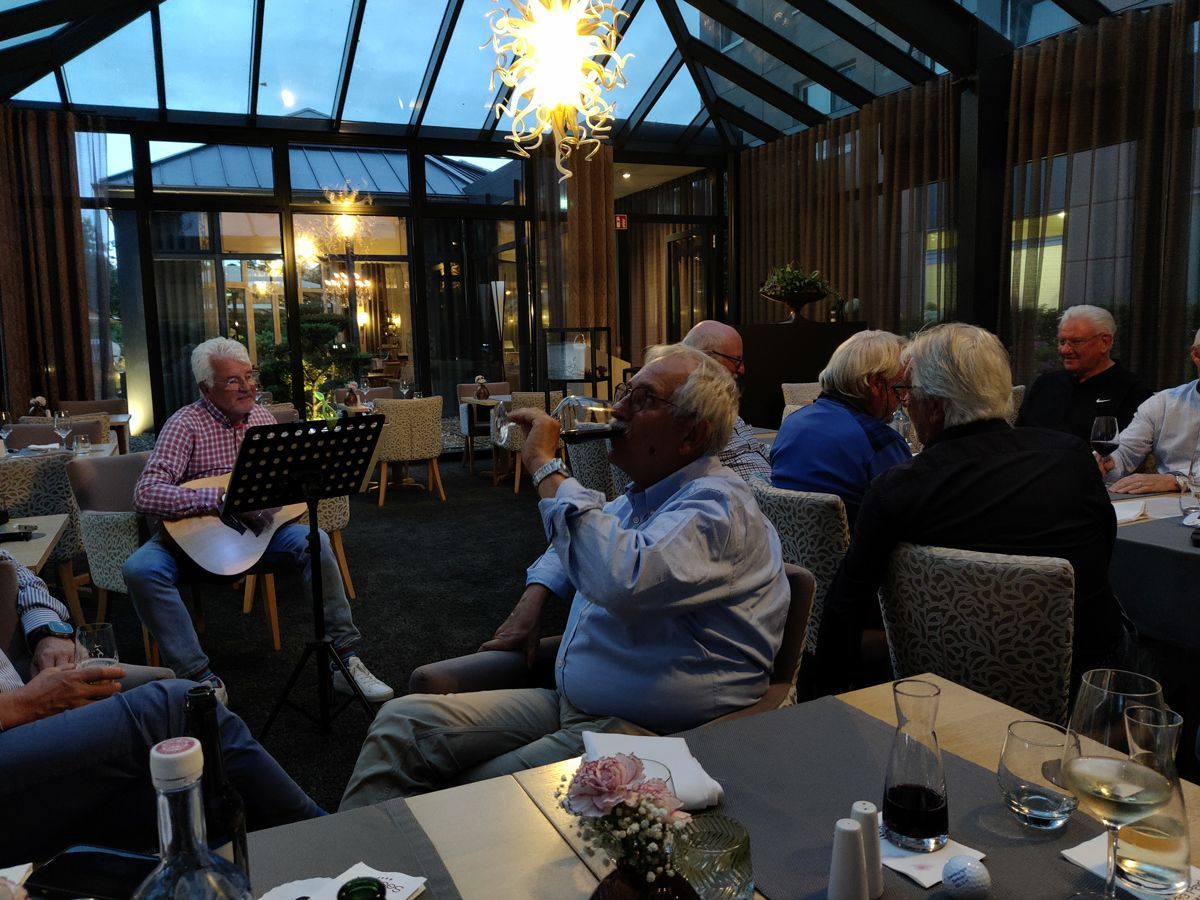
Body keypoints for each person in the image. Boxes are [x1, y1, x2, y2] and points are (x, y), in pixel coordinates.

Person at [340, 345, 789, 808]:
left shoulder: (716, 508)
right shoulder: (646, 496)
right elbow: (579, 542)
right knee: (399, 725)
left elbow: (621, 574)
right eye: (625, 392)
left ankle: (398, 849)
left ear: (692, 435)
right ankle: (341, 853)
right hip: (572, 703)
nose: (618, 409)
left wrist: (545, 466)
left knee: (468, 797)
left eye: (643, 400)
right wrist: (534, 598)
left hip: (643, 731)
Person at [814, 323, 1126, 695]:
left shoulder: (901, 488)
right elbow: (1104, 551)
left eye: (907, 391)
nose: (905, 403)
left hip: (942, 686)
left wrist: (823, 702)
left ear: (934, 404)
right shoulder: (1072, 456)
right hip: (1085, 684)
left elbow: (846, 605)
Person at [0, 550, 322, 865]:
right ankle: (325, 836)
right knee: (178, 706)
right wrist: (21, 704)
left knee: (189, 768)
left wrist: (47, 632)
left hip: (26, 697)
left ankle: (238, 874)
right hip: (14, 718)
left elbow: (17, 568)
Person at [123, 337, 393, 705]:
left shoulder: (262, 418)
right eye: (233, 380)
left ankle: (345, 660)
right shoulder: (184, 424)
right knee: (140, 569)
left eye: (249, 376)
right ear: (206, 388)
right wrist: (221, 499)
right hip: (194, 540)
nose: (247, 387)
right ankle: (198, 678)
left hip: (258, 534)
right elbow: (146, 494)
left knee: (314, 541)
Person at [769, 330, 910, 524]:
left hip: (785, 543)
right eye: (900, 389)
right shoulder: (879, 441)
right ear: (876, 384)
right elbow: (906, 518)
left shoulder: (791, 423)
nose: (904, 399)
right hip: (857, 543)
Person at [1016, 304, 1151, 441]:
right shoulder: (1045, 384)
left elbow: (1128, 447)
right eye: (1062, 341)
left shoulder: (1132, 391)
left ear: (1104, 342)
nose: (1065, 350)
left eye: (1076, 342)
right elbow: (1018, 434)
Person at [1099, 330, 1200, 493]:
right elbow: (1126, 451)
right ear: (1196, 354)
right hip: (1163, 501)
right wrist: (1109, 461)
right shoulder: (1163, 403)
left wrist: (1177, 480)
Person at [680, 320, 770, 482]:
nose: (742, 369)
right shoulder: (691, 409)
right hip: (751, 494)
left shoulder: (722, 401)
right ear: (707, 358)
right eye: (736, 360)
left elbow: (753, 447)